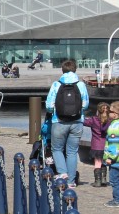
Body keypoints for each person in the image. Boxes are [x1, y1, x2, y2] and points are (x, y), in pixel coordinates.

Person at [45, 58, 89, 187]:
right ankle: (71, 182)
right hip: (77, 122)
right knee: (72, 151)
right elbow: (85, 105)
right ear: (75, 69)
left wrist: (55, 111)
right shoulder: (81, 85)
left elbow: (48, 105)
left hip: (59, 121)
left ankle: (62, 172)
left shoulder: (56, 84)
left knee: (57, 149)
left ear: (62, 70)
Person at [84, 102, 111, 187]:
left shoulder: (93, 120)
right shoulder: (110, 121)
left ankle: (97, 181)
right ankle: (104, 179)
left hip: (96, 145)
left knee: (97, 163)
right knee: (104, 162)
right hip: (106, 145)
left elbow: (84, 122)